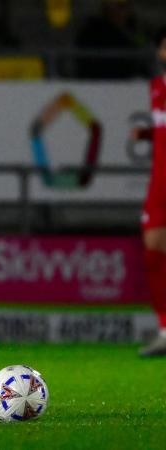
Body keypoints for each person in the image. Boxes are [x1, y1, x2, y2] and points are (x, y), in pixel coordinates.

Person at [131, 27, 166, 357]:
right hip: (160, 182)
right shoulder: (156, 88)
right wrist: (149, 135)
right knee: (153, 249)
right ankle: (164, 331)